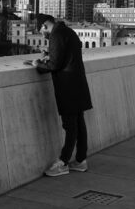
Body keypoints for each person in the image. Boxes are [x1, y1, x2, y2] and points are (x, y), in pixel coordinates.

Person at [31, 14, 92, 177]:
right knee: (79, 124)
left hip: (67, 86)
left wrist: (39, 64)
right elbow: (68, 54)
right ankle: (80, 160)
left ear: (44, 25)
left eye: (41, 31)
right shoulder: (67, 31)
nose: (43, 35)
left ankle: (63, 162)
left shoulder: (56, 35)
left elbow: (55, 65)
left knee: (70, 125)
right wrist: (51, 53)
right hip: (78, 83)